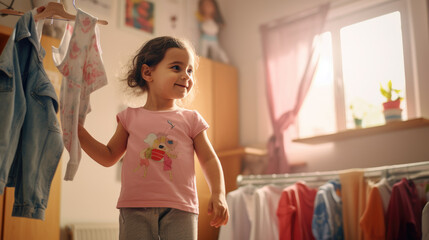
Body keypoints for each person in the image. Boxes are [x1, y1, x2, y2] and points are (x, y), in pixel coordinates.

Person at [77, 36, 229, 240]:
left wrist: (218, 193)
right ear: (148, 72)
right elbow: (109, 156)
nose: (186, 76)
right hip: (134, 209)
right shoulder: (129, 117)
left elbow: (209, 159)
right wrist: (77, 131)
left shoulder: (192, 119)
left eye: (190, 70)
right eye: (177, 67)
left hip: (181, 209)